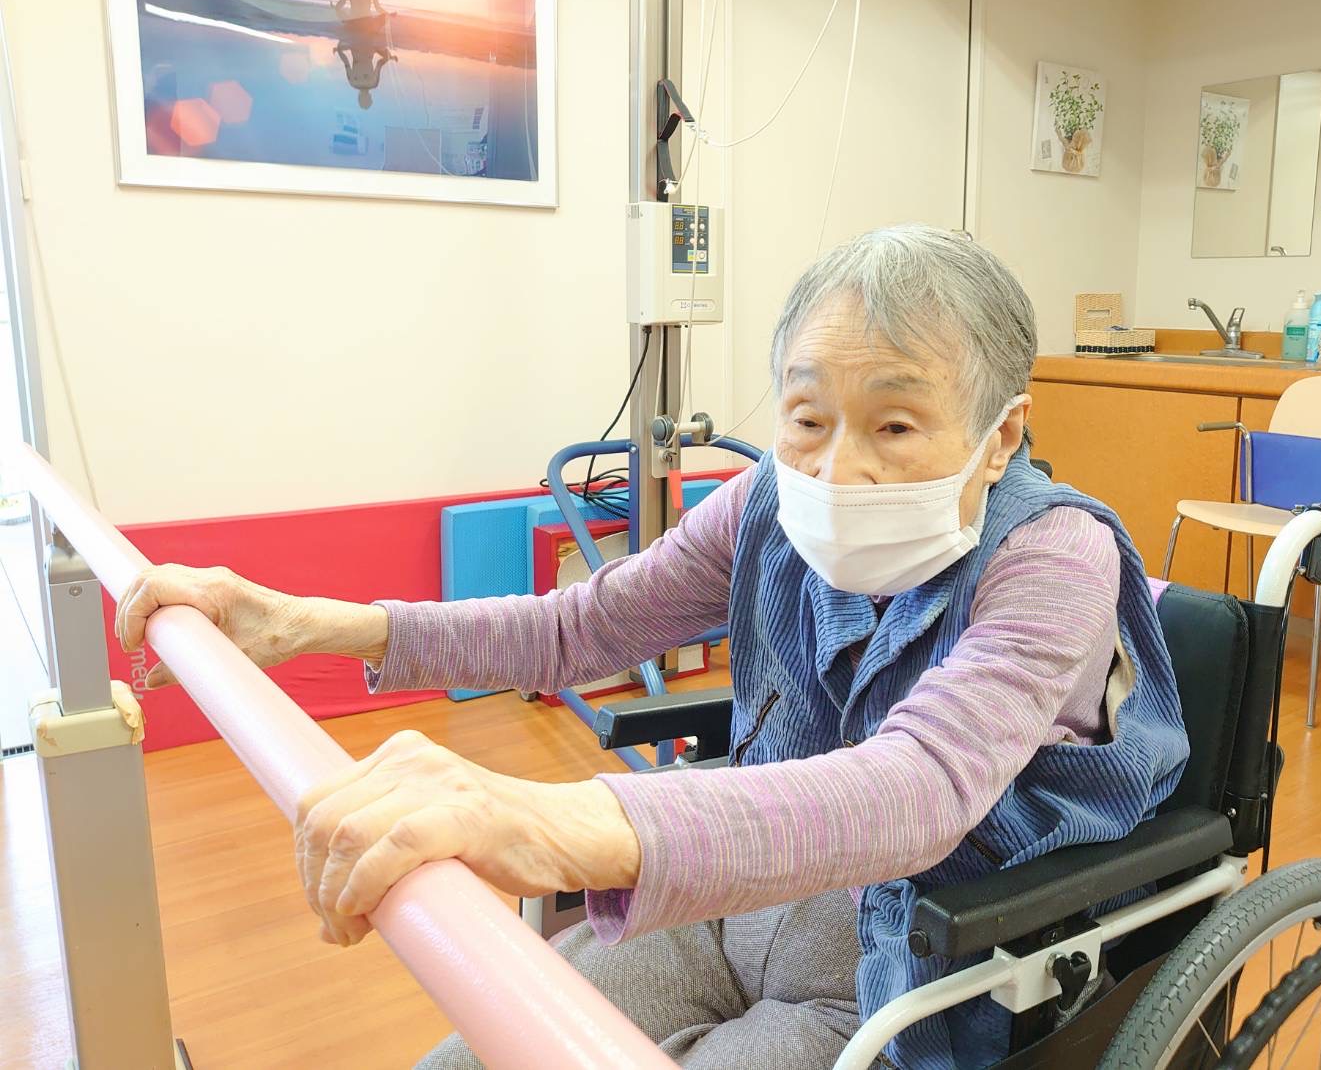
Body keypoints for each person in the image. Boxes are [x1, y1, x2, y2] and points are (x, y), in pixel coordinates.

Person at [116, 225, 1189, 1069]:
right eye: (807, 417)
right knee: (481, 1049)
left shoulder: (1055, 558)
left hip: (926, 944)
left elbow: (920, 787)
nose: (837, 469)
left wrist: (551, 819)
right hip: (747, 885)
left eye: (895, 426)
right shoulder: (766, 501)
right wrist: (302, 624)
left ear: (1001, 435)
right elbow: (579, 626)